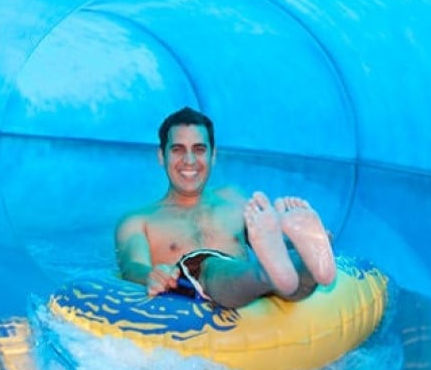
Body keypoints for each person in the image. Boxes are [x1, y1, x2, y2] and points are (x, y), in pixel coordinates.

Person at [114, 106, 338, 309]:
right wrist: (152, 275)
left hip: (249, 290)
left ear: (213, 156)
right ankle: (272, 273)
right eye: (178, 149)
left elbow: (265, 239)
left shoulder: (234, 199)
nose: (189, 160)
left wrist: (294, 241)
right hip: (199, 291)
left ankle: (309, 263)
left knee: (285, 275)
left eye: (199, 149)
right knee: (208, 266)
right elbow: (132, 266)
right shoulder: (139, 220)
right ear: (161, 156)